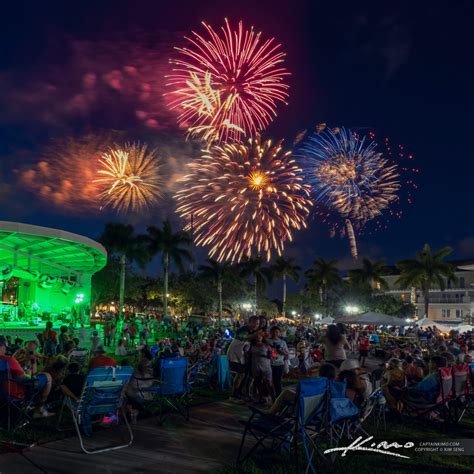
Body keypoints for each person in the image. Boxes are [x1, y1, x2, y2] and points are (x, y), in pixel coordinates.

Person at [0, 336, 53, 417]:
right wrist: (30, 368)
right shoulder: (8, 360)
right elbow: (26, 380)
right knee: (47, 376)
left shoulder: (12, 358)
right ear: (3, 346)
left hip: (2, 395)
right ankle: (39, 410)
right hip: (13, 396)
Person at [267, 326, 288, 397]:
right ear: (270, 332)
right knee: (269, 382)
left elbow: (286, 354)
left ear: (279, 333)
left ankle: (279, 397)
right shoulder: (267, 341)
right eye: (273, 332)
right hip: (269, 364)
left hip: (280, 364)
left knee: (278, 382)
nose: (275, 333)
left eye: (276, 332)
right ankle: (270, 396)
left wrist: (279, 351)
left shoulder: (283, 342)